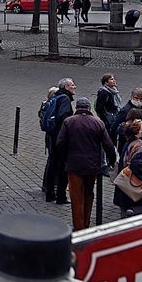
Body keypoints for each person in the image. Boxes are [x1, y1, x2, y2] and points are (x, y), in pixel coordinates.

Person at [55, 97, 116, 228]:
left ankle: (78, 227)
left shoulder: (68, 122)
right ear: (89, 108)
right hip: (92, 166)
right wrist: (112, 160)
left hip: (74, 165)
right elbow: (108, 144)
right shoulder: (98, 123)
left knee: (76, 197)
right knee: (89, 194)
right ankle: (86, 224)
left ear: (77, 107)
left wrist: (63, 160)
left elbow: (60, 143)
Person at [41, 78, 76, 200]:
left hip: (51, 135)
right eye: (72, 85)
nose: (74, 87)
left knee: (52, 163)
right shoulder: (65, 99)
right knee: (62, 166)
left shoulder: (56, 96)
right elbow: (63, 117)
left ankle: (49, 193)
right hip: (60, 137)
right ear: (66, 87)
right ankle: (61, 196)